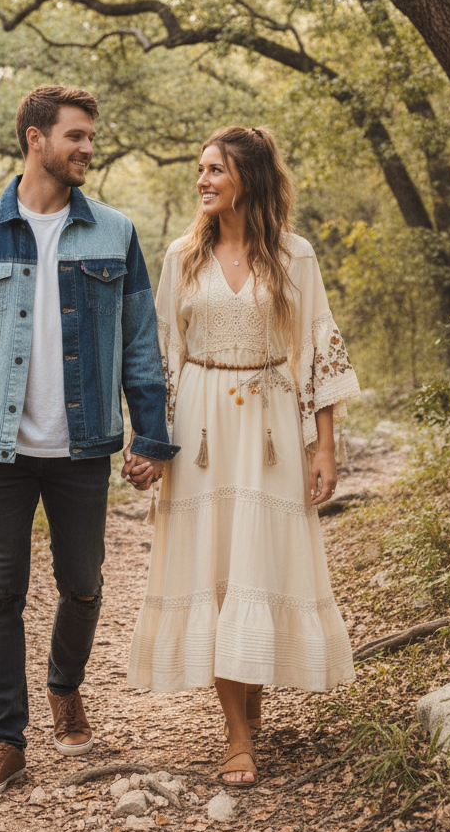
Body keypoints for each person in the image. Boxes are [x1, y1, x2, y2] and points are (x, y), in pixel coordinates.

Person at [0, 84, 178, 799]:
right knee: (0, 594)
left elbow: (140, 347)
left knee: (85, 584)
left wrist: (152, 437)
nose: (88, 148)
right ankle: (6, 741)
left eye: (91, 137)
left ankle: (65, 682)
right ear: (35, 139)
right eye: (76, 136)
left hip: (83, 446)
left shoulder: (115, 232)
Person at [125, 125, 360, 787]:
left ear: (248, 180)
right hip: (199, 429)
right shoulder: (181, 257)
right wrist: (150, 443)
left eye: (214, 171)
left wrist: (325, 448)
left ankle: (250, 711)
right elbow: (160, 356)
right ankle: (236, 735)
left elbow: (319, 350)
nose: (202, 181)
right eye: (200, 170)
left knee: (258, 564)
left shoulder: (295, 257)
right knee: (215, 569)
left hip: (269, 426)